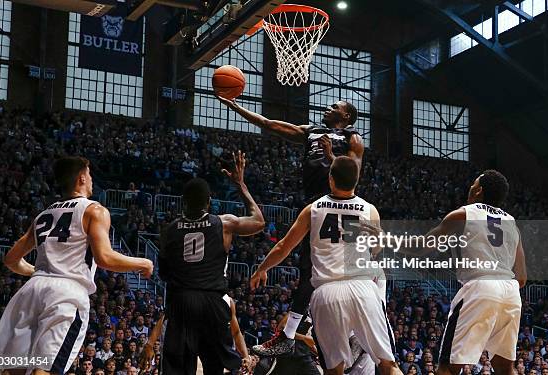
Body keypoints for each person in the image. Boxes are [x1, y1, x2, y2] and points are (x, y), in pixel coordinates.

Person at [218, 95, 365, 356]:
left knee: (327, 269)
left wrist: (331, 156)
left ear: (346, 117)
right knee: (308, 269)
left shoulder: (353, 139)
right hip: (315, 203)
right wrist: (235, 106)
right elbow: (268, 123)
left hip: (338, 202)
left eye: (334, 107)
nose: (327, 108)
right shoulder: (311, 132)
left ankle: (301, 331)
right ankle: (303, 328)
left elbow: (352, 175)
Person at [0, 156, 153, 375]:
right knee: (45, 369)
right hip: (65, 295)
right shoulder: (94, 210)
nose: (92, 180)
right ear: (82, 177)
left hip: (30, 292)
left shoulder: (43, 215)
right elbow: (105, 257)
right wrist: (142, 262)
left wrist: (38, 272)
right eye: (91, 175)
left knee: (15, 370)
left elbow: (10, 259)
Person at [250, 157, 400, 375]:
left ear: (330, 179)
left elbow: (284, 247)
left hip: (327, 293)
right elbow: (376, 251)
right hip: (363, 289)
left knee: (333, 371)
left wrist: (261, 269)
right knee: (389, 366)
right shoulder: (370, 210)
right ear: (356, 181)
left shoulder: (313, 209)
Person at [389, 170, 527, 375]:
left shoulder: (463, 214)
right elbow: (522, 277)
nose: (470, 187)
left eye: (473, 184)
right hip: (511, 292)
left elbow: (420, 247)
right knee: (505, 368)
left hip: (480, 287)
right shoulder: (512, 222)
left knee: (448, 366)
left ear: (478, 190)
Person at [159, 151, 265, 375]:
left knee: (177, 368)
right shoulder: (223, 223)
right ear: (209, 202)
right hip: (212, 301)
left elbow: (164, 272)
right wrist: (241, 185)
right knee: (215, 367)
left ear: (183, 203)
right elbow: (258, 221)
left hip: (181, 301)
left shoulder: (168, 230)